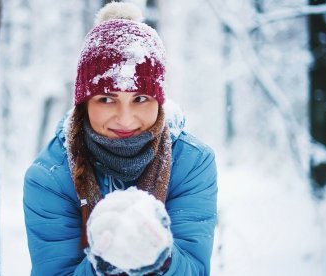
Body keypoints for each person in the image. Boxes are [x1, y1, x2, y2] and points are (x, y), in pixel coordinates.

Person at [23, 2, 217, 275]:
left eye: (140, 99)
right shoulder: (50, 177)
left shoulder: (191, 162)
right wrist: (106, 262)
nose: (125, 119)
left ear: (159, 102)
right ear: (83, 104)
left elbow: (195, 269)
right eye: (106, 99)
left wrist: (161, 259)